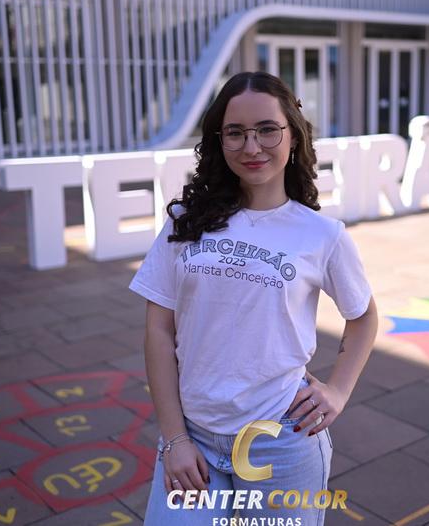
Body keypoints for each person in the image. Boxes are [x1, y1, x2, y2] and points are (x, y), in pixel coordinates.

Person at [129, 71, 378, 525]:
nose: (251, 146)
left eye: (266, 129)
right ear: (218, 141)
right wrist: (175, 439)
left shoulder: (322, 235)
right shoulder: (186, 222)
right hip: (193, 436)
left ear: (293, 136)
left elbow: (363, 316)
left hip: (281, 441)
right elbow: (158, 331)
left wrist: (339, 390)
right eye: (235, 133)